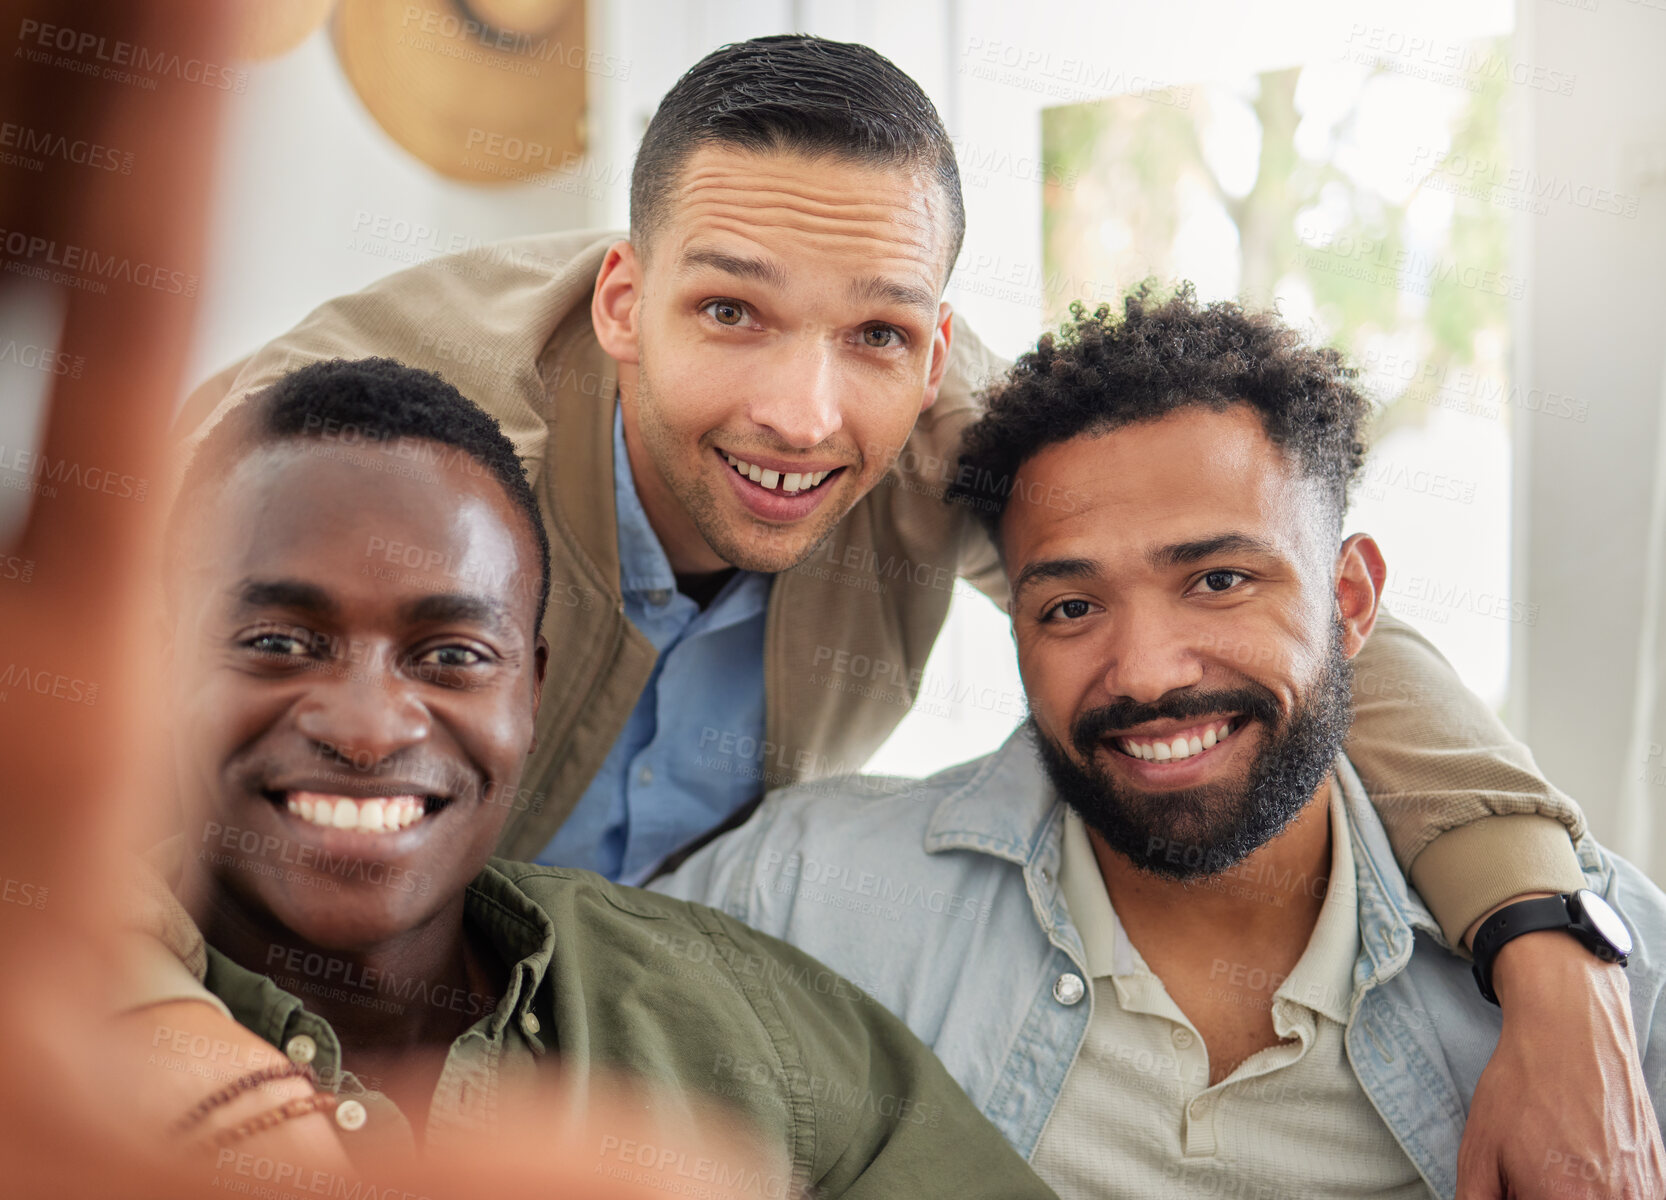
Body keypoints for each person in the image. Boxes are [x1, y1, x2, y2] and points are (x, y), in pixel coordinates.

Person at [173, 35, 1585, 961]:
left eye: (876, 335)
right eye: (730, 311)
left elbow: (1281, 612)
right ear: (622, 298)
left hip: (626, 997)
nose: (802, 412)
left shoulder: (952, 422)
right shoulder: (365, 440)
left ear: (929, 335)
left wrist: (1542, 933)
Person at [653, 289, 1666, 1198]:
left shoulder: (1618, 976)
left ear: (1348, 600)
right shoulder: (800, 895)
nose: (1144, 672)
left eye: (1219, 580)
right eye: (1070, 606)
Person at [149, 355, 1055, 1196]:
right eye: (276, 644)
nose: (366, 728)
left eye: (452, 655)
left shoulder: (729, 1012)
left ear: (532, 691)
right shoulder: (53, 1015)